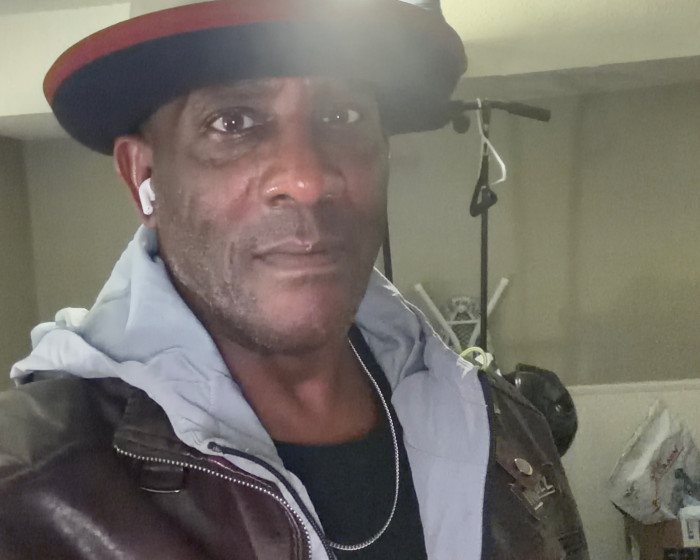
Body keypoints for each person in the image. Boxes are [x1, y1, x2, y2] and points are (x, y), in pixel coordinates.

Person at [0, 1, 588, 558]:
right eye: (233, 122)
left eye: (342, 115)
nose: (307, 179)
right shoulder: (28, 494)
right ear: (144, 177)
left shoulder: (505, 433)